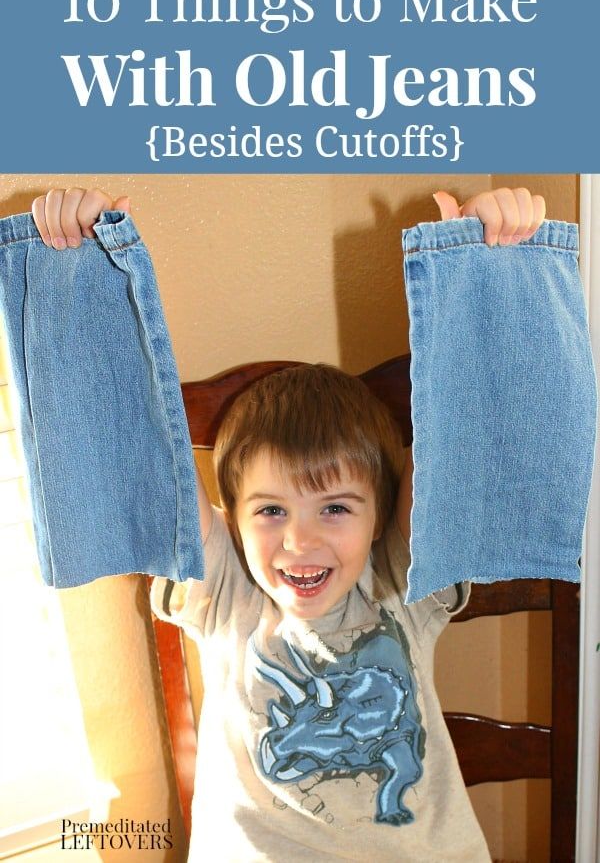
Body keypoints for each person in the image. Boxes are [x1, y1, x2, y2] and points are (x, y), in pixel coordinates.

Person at [31, 186, 546, 861]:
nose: (299, 541)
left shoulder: (400, 588)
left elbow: (460, 448)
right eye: (271, 510)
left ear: (381, 515)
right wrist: (83, 271)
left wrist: (482, 277)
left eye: (334, 508)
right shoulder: (226, 594)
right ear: (231, 515)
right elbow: (132, 447)